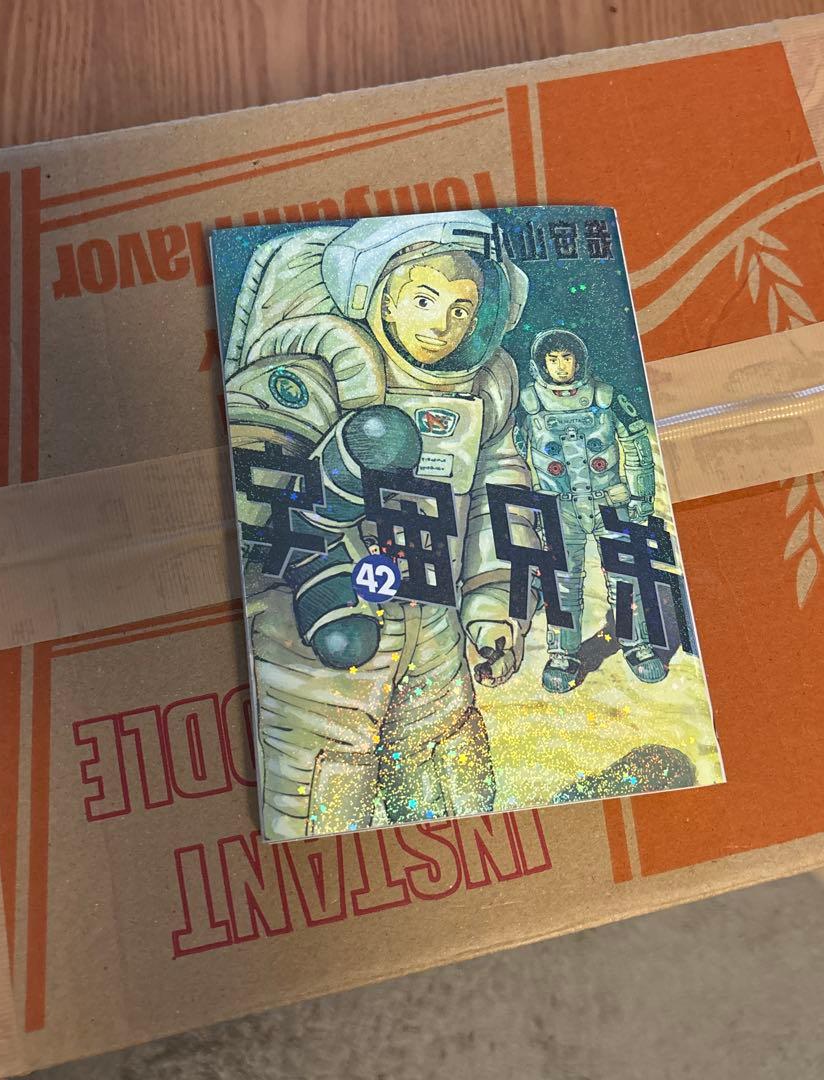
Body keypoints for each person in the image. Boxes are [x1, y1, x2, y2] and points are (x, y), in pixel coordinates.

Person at [222, 211, 539, 840]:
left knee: (452, 789)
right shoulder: (314, 372)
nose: (441, 325)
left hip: (434, 632)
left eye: (461, 309)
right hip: (318, 637)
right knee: (318, 808)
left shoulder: (484, 394)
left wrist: (495, 605)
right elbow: (247, 494)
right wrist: (334, 481)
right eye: (424, 300)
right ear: (380, 297)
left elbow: (501, 502)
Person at [518, 328, 668, 693]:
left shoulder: (607, 398)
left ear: (580, 360)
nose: (560, 367)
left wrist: (640, 495)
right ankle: (562, 653)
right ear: (541, 364)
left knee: (626, 575)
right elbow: (512, 457)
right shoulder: (528, 404)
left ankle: (636, 643)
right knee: (562, 582)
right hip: (558, 506)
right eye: (552, 360)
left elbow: (636, 444)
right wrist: (526, 508)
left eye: (567, 358)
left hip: (609, 501)